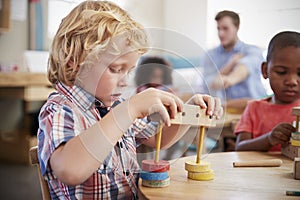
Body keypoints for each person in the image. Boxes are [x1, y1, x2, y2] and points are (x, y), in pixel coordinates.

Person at [37, 1, 223, 199]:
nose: (125, 82)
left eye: (130, 71)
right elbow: (70, 169)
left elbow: (161, 137)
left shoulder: (114, 107)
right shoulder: (60, 110)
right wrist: (130, 109)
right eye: (116, 69)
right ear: (74, 61)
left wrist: (190, 110)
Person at [234, 31, 300, 151]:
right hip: (259, 170)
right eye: (281, 72)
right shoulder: (254, 108)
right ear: (265, 70)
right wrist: (269, 139)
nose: (292, 81)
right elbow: (239, 148)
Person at [202, 10, 266, 111]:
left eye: (225, 28)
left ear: (237, 27)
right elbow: (210, 83)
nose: (221, 33)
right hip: (227, 110)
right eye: (218, 29)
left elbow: (244, 67)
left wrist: (229, 80)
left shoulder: (252, 51)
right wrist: (230, 64)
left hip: (254, 109)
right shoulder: (210, 55)